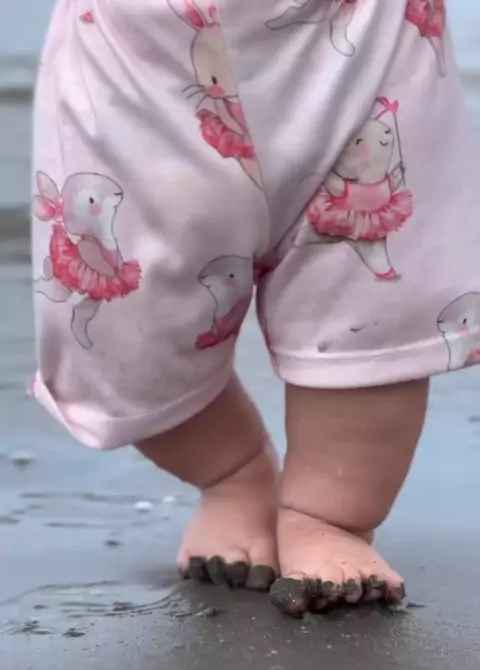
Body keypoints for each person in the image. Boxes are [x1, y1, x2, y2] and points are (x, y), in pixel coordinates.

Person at [31, 0, 480, 616]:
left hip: (360, 33)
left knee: (371, 307)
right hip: (137, 51)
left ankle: (328, 517)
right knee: (120, 333)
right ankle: (233, 472)